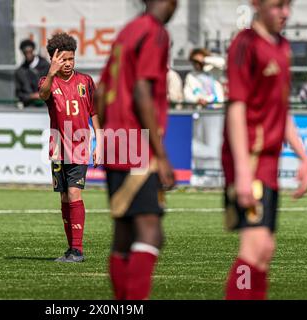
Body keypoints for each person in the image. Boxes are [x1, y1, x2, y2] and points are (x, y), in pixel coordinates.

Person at [222, 0, 307, 300]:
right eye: (277, 5)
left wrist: (303, 156)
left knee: (265, 250)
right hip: (249, 160)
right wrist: (244, 173)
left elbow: (281, 108)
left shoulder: (283, 46)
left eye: (288, 5)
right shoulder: (244, 44)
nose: (285, 12)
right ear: (256, 4)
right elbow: (236, 108)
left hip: (269, 164)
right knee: (254, 247)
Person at [96, 0, 178, 300]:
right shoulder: (155, 32)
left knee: (124, 235)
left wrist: (105, 137)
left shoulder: (127, 32)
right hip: (138, 142)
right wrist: (162, 155)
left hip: (117, 141)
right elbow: (142, 89)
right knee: (150, 233)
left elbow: (102, 91)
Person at [38, 33, 102, 263]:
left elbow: (94, 111)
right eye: (63, 59)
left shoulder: (85, 81)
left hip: (80, 145)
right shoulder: (48, 81)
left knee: (74, 192)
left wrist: (99, 140)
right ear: (54, 60)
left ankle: (78, 249)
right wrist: (51, 73)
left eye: (71, 59)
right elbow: (43, 95)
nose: (67, 64)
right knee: (65, 197)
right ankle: (70, 249)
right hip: (57, 148)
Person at [15, 39, 50, 108]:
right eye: (25, 52)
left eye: (30, 51)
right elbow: (19, 94)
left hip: (47, 106)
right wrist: (32, 96)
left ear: (33, 50)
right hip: (29, 107)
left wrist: (43, 94)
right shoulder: (20, 71)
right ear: (22, 52)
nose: (28, 54)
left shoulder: (46, 66)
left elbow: (54, 85)